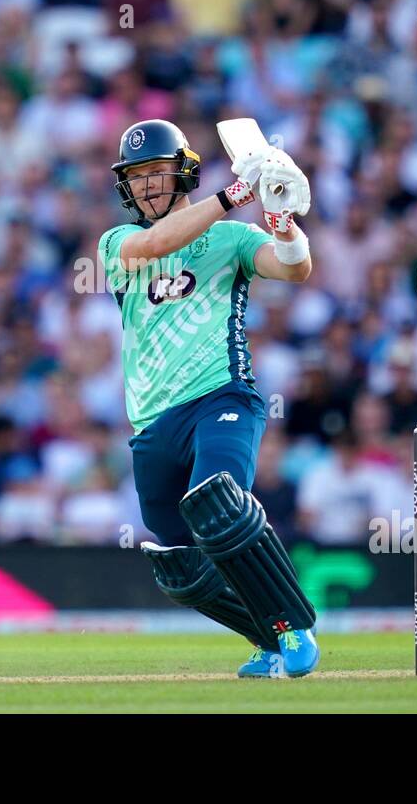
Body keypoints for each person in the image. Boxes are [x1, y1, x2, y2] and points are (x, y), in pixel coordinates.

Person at [98, 118, 319, 678]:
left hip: (221, 394)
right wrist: (235, 193)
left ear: (184, 174)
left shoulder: (233, 238)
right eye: (138, 176)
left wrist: (281, 220)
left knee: (219, 504)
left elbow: (295, 269)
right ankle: (267, 641)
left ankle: (294, 627)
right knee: (181, 566)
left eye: (158, 172)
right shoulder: (116, 243)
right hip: (151, 425)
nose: (148, 186)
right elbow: (157, 242)